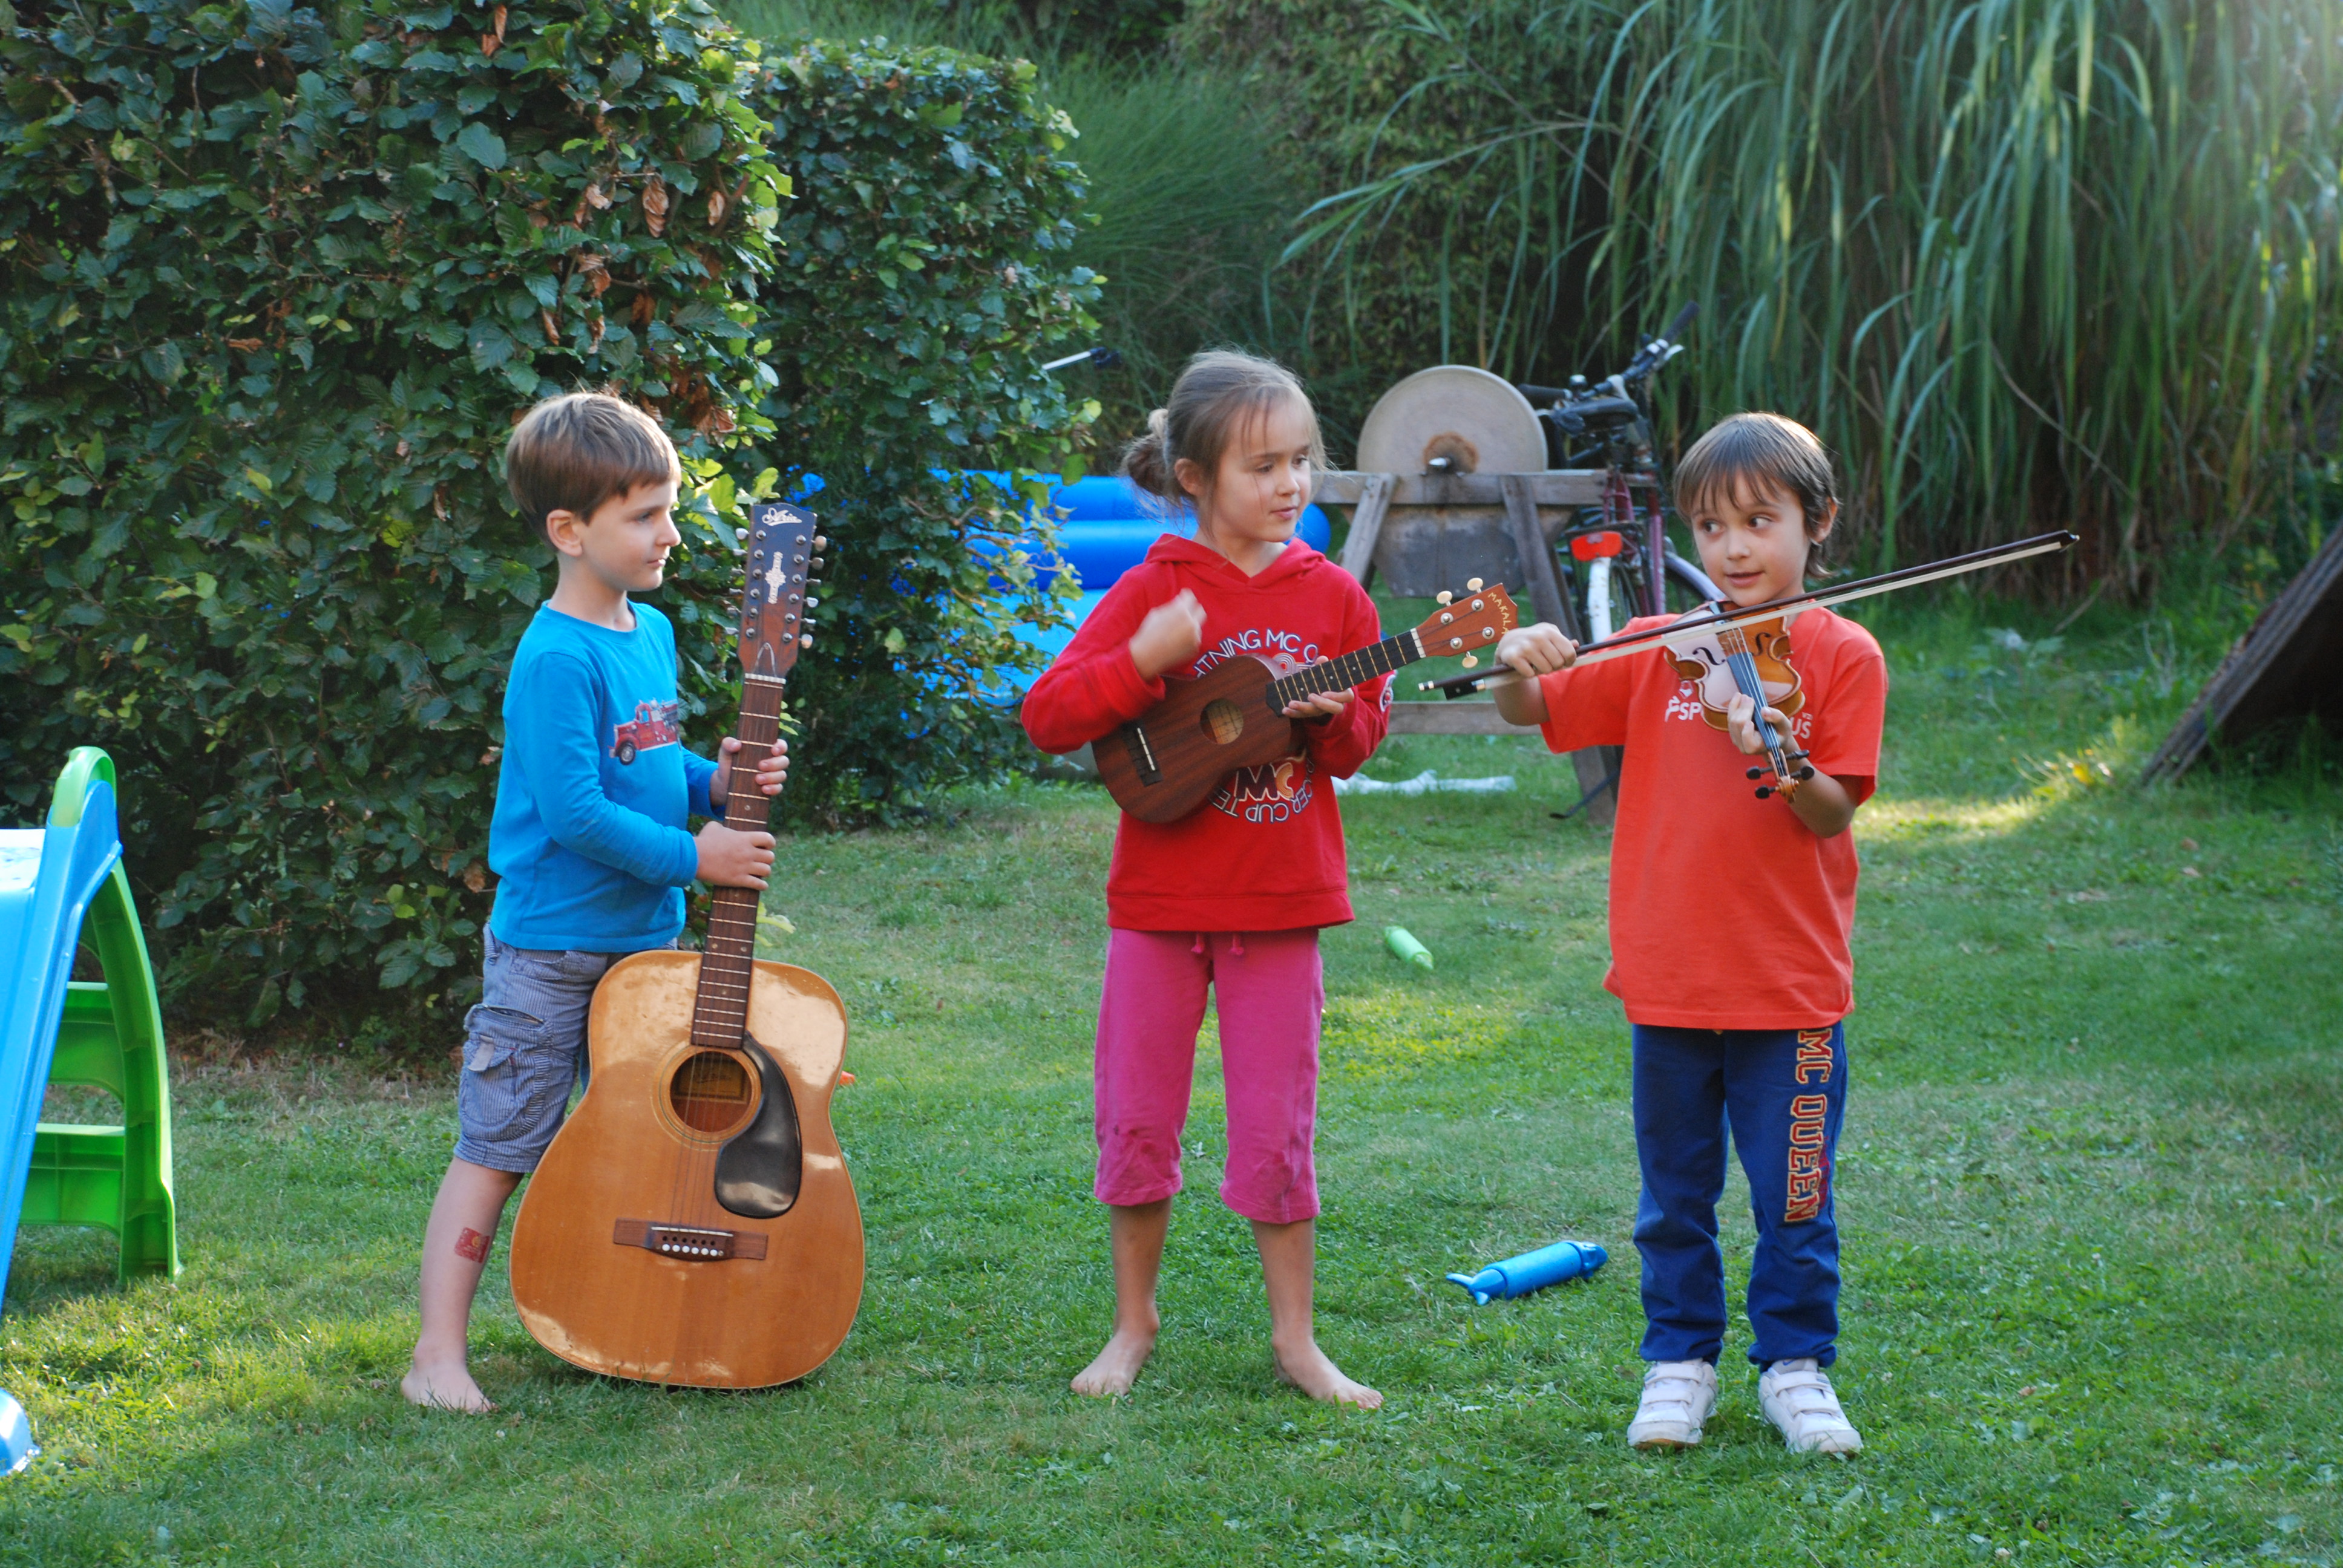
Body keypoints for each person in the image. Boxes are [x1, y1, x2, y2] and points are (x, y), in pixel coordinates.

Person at [1489, 412, 1886, 1454]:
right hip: (1669, 981)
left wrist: (1780, 751)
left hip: (1790, 989)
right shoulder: (1659, 647)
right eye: (1712, 527)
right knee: (1674, 1199)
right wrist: (1516, 660)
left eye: (1760, 521)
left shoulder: (1843, 653)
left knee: (1795, 1195)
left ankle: (1796, 1369)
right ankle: (1679, 1363)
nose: (1735, 549)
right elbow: (1532, 708)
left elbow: (1831, 811)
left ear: (1817, 522)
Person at [402, 392, 788, 1412]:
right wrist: (697, 856)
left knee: (634, 1143)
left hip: (644, 952)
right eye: (645, 516)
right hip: (552, 951)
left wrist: (717, 780)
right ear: (569, 532)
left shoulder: (647, 631)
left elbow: (650, 762)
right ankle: (436, 1354)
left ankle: (618, 1308)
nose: (671, 535)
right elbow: (576, 813)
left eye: (671, 511)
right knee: (502, 1145)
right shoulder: (554, 659)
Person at [1022, 351, 1391, 1408]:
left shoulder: (1336, 599)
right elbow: (1049, 717)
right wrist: (1143, 659)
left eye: (1301, 461)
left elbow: (1363, 741)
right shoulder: (1155, 589)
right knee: (1137, 1119)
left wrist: (1337, 722)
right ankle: (1132, 1325)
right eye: (1262, 466)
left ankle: (1297, 1342)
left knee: (1277, 1129)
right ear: (1195, 477)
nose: (1290, 484)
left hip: (1281, 907)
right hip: (1158, 909)